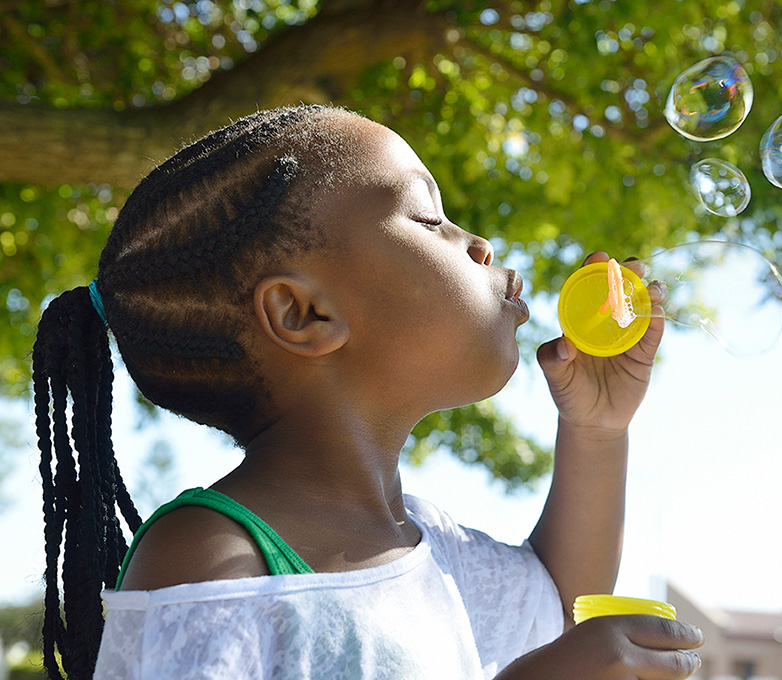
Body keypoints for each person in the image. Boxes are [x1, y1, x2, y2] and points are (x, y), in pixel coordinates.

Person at [32, 104, 704, 679]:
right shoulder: (210, 561)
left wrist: (596, 430)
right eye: (428, 217)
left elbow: (558, 605)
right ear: (304, 315)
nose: (480, 246)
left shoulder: (430, 547)